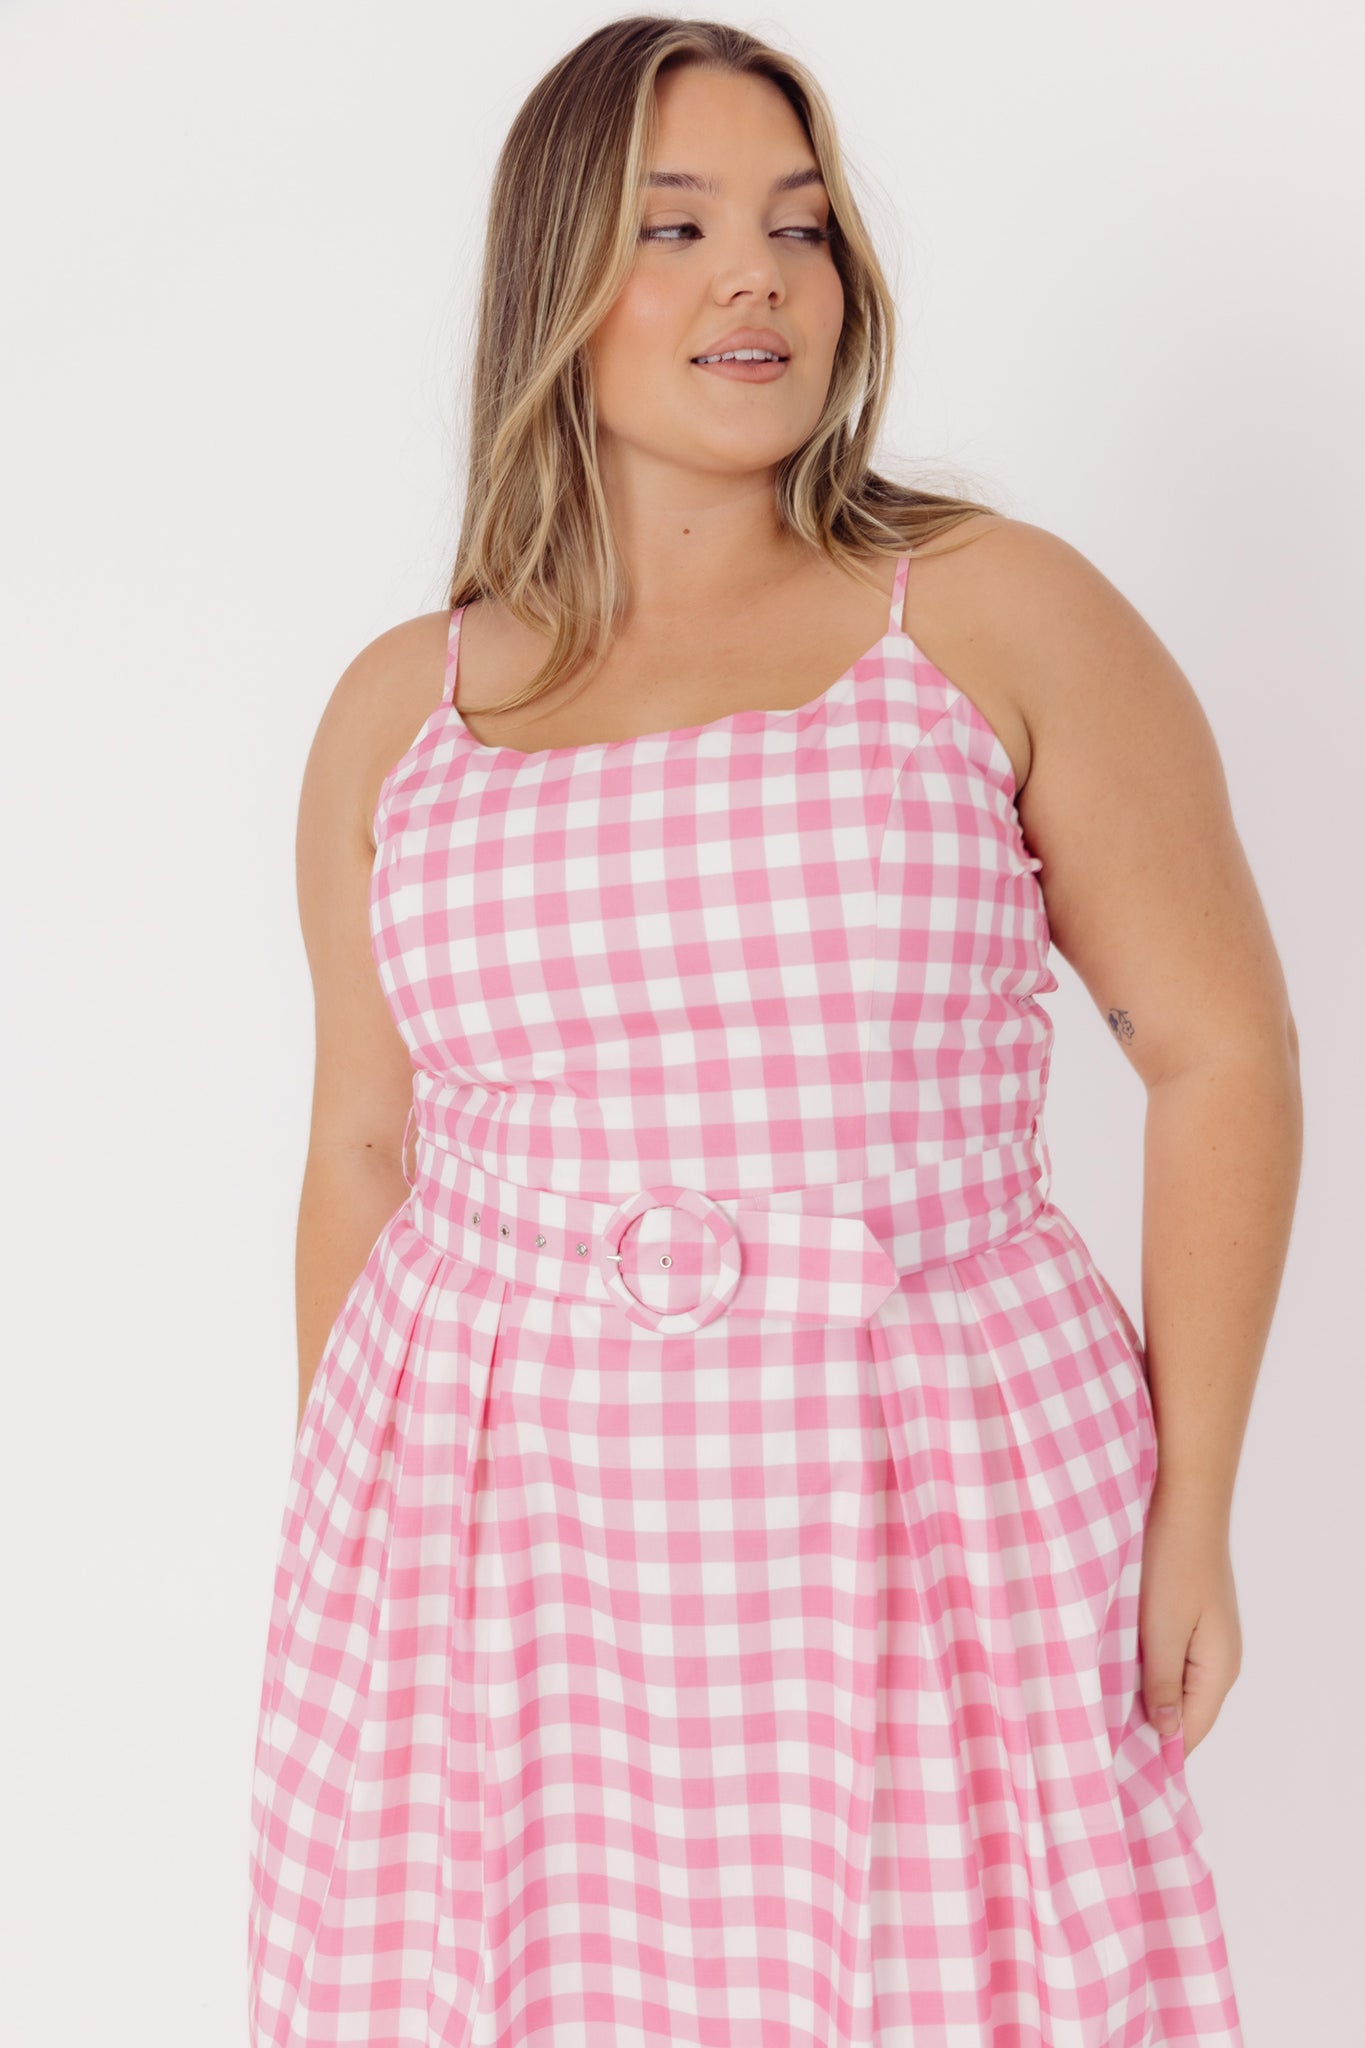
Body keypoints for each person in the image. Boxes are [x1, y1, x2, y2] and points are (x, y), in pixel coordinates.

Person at [247, 18, 1300, 2046]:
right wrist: (354, 1543)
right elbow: (363, 1147)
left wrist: (1193, 1516)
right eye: (676, 226)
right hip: (509, 1530)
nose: (757, 275)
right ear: (553, 282)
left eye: (798, 227)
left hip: (920, 1490)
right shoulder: (404, 707)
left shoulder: (988, 613)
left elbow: (1215, 1050)